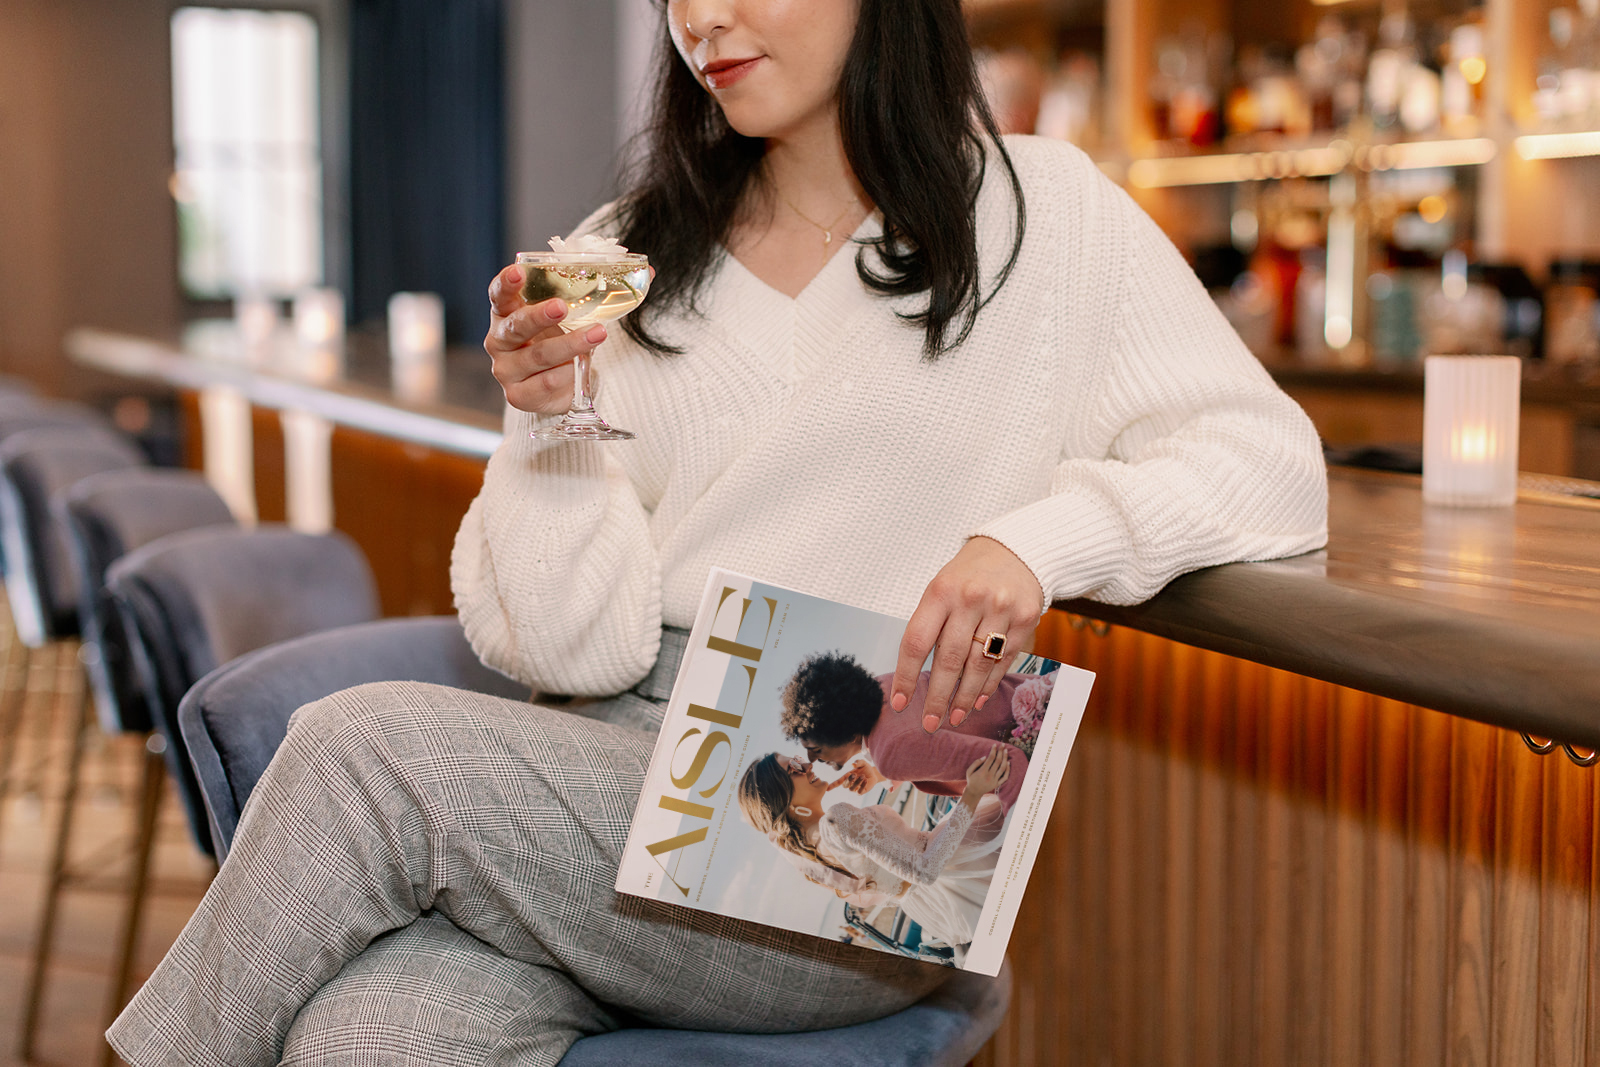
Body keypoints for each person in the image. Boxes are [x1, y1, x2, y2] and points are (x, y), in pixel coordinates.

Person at [108, 0, 1327, 1061]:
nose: (701, 21)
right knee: (366, 1036)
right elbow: (567, 650)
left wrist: (1036, 542)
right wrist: (549, 422)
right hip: (589, 804)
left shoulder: (1039, 212)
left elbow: (1267, 464)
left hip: (853, 835)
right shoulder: (622, 253)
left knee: (360, 750)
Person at [738, 748, 1013, 953]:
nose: (806, 764)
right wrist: (973, 794)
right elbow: (925, 870)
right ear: (784, 800)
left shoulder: (816, 850)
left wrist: (880, 774)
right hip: (957, 871)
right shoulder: (836, 820)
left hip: (934, 908)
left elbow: (895, 877)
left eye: (797, 759)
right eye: (793, 769)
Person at [780, 650, 1034, 811]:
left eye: (815, 749)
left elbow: (1009, 765)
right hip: (1032, 693)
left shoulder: (891, 752)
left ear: (837, 727)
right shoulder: (883, 686)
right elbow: (920, 734)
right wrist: (879, 774)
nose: (813, 760)